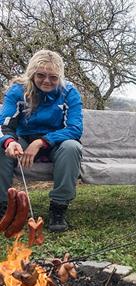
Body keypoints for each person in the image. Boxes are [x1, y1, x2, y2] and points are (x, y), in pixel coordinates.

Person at [0, 49, 83, 233]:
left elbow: (75, 129)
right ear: (32, 74)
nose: (47, 81)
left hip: (56, 142)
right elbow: (4, 124)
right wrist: (9, 142)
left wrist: (41, 142)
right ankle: (4, 207)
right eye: (41, 75)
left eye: (53, 77)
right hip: (23, 138)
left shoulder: (69, 93)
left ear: (60, 76)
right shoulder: (17, 91)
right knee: (1, 148)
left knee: (72, 147)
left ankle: (58, 207)